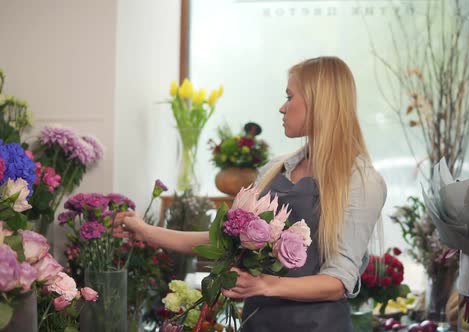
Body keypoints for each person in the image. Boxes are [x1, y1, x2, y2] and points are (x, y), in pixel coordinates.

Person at [114, 56, 387, 331]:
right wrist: (145, 231)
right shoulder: (274, 169)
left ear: (319, 103)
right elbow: (222, 241)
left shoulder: (361, 183)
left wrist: (264, 284)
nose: (282, 108)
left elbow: (337, 283)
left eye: (290, 97)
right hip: (258, 322)